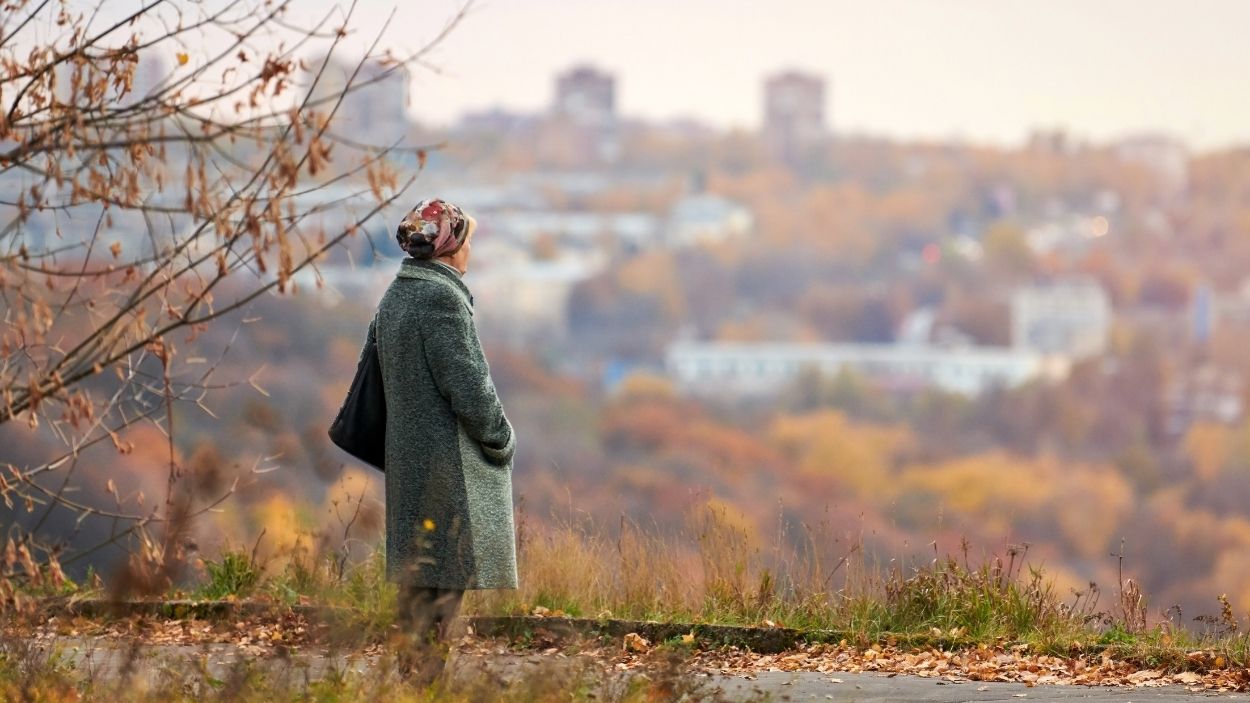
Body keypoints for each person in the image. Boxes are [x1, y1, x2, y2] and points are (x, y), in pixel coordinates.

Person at [372, 197, 517, 682]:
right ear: (452, 247)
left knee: (420, 584)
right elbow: (469, 386)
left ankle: (414, 683)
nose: (471, 249)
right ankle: (423, 685)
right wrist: (500, 439)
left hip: (410, 459)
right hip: (445, 464)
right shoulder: (441, 298)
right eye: (468, 239)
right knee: (441, 586)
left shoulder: (397, 293)